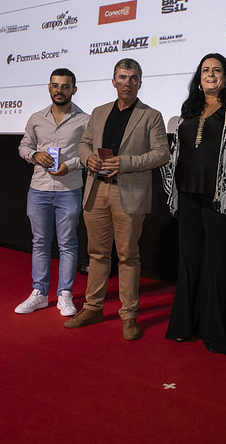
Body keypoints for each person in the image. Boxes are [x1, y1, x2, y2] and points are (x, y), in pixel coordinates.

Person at [162, 53, 226, 354]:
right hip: (187, 195)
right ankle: (184, 326)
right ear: (199, 76)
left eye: (216, 70)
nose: (210, 74)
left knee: (218, 266)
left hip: (222, 198)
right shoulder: (189, 107)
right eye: (205, 70)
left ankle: (215, 334)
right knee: (189, 263)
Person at [64, 58, 168, 340]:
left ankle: (129, 315)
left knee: (128, 256)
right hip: (97, 190)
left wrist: (127, 162)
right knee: (97, 254)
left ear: (140, 83)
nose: (127, 83)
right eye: (122, 77)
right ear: (113, 81)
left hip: (129, 194)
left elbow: (162, 153)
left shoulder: (151, 116)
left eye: (133, 78)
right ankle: (92, 308)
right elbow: (84, 144)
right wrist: (88, 158)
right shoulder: (99, 112)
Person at [15, 68, 90, 316]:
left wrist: (71, 164)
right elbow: (24, 146)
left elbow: (89, 155)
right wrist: (34, 155)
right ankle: (39, 293)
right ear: (49, 87)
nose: (60, 90)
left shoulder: (85, 120)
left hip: (69, 189)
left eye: (65, 86)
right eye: (55, 85)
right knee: (40, 243)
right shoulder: (36, 118)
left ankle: (65, 294)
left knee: (68, 244)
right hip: (38, 189)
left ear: (74, 90)